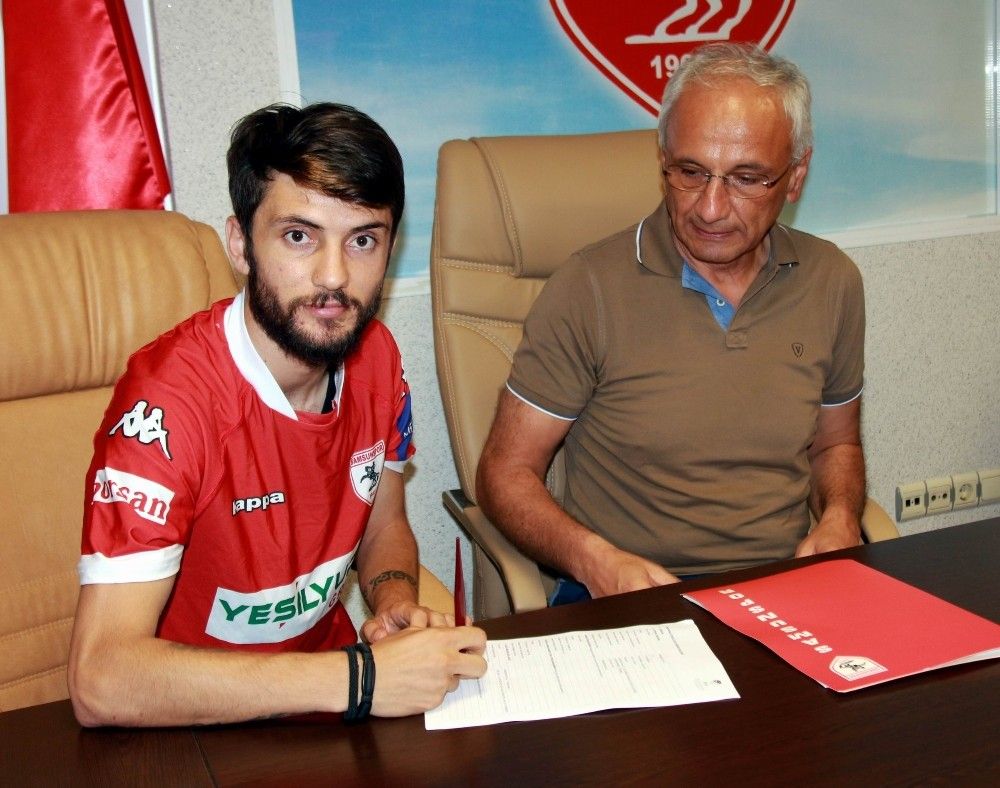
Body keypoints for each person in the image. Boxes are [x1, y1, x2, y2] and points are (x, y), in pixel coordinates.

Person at [69, 102, 486, 727]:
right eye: (299, 236)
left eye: (363, 240)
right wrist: (363, 678)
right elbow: (100, 680)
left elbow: (383, 525)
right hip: (194, 727)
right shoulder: (167, 404)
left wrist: (394, 600)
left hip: (330, 703)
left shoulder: (376, 356)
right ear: (241, 244)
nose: (334, 277)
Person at [477, 43, 866, 604]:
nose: (710, 208)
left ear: (796, 176)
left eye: (746, 178)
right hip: (626, 593)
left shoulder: (832, 280)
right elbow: (504, 472)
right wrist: (595, 561)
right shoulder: (588, 287)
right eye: (690, 172)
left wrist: (839, 517)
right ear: (663, 161)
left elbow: (835, 446)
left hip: (782, 589)